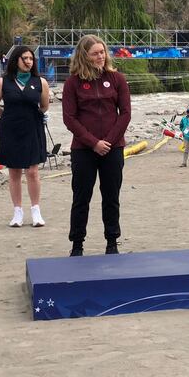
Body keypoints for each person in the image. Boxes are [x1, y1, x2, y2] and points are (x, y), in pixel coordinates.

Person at [62, 35, 131, 256]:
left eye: (102, 52)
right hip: (84, 149)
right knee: (81, 197)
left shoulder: (117, 78)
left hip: (113, 148)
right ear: (84, 56)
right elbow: (69, 118)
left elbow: (126, 113)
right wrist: (93, 143)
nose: (100, 57)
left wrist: (108, 142)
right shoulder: (72, 83)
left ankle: (112, 241)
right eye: (95, 53)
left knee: (111, 196)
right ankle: (77, 244)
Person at [0, 46, 49, 228]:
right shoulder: (2, 82)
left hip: (33, 128)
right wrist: (8, 117)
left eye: (31, 58)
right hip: (10, 130)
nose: (29, 61)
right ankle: (17, 212)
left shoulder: (40, 82)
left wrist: (33, 117)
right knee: (14, 172)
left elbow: (44, 106)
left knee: (32, 171)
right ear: (16, 60)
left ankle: (36, 210)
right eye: (25, 58)